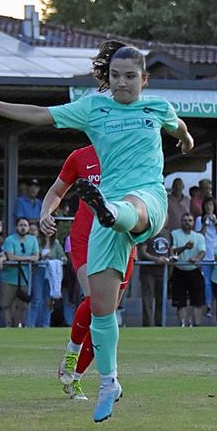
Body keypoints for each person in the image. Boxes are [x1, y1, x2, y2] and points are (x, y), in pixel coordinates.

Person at [0, 42, 194, 422]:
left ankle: (109, 209)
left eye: (130, 77)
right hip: (104, 224)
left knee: (131, 206)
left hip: (147, 200)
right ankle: (109, 382)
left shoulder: (158, 108)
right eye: (115, 76)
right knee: (102, 309)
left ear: (145, 80)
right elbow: (40, 114)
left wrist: (185, 140)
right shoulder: (94, 108)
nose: (122, 83)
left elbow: (179, 127)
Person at [38, 145, 135, 398]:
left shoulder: (131, 152)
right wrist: (45, 213)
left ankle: (75, 377)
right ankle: (72, 352)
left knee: (106, 315)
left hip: (122, 240)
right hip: (86, 238)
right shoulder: (80, 157)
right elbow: (57, 190)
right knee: (94, 301)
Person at [0, 217, 39, 328]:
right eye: (21, 225)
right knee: (6, 305)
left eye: (25, 225)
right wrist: (27, 258)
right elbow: (10, 257)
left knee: (23, 305)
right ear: (16, 227)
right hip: (8, 278)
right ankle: (7, 326)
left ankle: (18, 326)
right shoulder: (10, 240)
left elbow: (36, 257)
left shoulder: (33, 239)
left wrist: (20, 258)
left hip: (24, 278)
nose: (23, 227)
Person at [170, 213, 206, 327]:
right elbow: (173, 252)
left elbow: (202, 251)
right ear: (181, 222)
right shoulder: (174, 234)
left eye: (190, 220)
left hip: (194, 271)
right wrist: (185, 247)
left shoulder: (199, 236)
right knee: (180, 302)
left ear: (193, 223)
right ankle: (183, 324)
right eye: (185, 220)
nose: (187, 222)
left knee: (197, 301)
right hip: (179, 271)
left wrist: (196, 258)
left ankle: (196, 325)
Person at [28, 223, 66, 328]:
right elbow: (35, 255)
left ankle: (45, 324)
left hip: (51, 273)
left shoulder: (56, 243)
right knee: (37, 299)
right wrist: (42, 256)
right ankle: (31, 324)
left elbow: (63, 257)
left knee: (48, 300)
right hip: (39, 271)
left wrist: (57, 260)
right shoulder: (37, 242)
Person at [195, 196, 217, 318]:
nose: (209, 207)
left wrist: (215, 222)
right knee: (207, 282)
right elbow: (199, 236)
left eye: (211, 205)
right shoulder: (199, 219)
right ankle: (208, 304)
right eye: (207, 205)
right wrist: (204, 224)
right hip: (206, 255)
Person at [138, 227, 170, 327]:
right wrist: (156, 259)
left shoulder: (168, 234)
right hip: (148, 272)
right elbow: (142, 252)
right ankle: (148, 325)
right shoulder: (148, 232)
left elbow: (171, 250)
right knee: (148, 300)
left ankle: (160, 324)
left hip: (163, 272)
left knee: (161, 300)